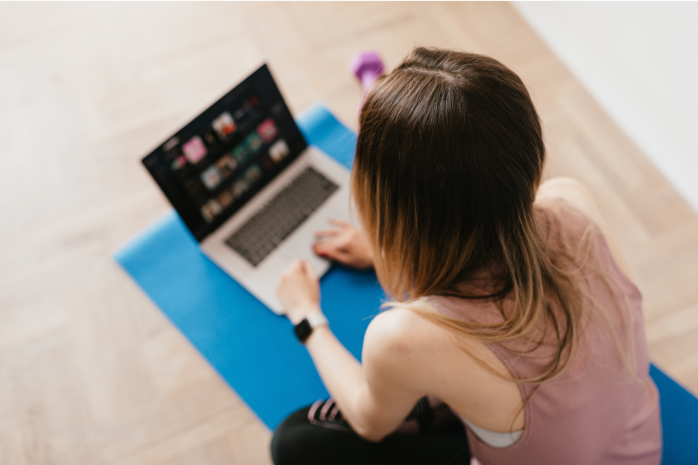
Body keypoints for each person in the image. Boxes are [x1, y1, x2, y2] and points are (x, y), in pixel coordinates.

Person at [271, 47, 661, 465]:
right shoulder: (572, 201)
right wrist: (394, 246)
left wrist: (306, 316)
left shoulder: (403, 337)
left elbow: (371, 422)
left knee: (295, 441)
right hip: (636, 449)